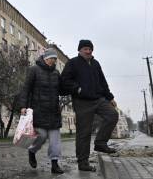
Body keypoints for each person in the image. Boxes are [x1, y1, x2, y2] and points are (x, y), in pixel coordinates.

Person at [61, 39, 119, 172]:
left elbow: (103, 82)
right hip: (82, 102)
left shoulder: (95, 63)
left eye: (90, 49)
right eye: (85, 49)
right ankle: (83, 163)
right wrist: (78, 89)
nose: (88, 51)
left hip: (98, 99)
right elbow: (65, 80)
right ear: (79, 50)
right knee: (84, 133)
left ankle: (100, 143)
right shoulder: (73, 63)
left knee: (112, 115)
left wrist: (110, 97)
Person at [18, 48, 64, 174]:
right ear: (45, 58)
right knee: (42, 136)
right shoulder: (34, 70)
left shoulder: (56, 73)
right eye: (51, 59)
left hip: (54, 111)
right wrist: (23, 106)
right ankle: (32, 151)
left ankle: (55, 164)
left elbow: (62, 89)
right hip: (38, 110)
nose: (52, 61)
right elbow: (26, 89)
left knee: (55, 141)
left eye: (54, 59)